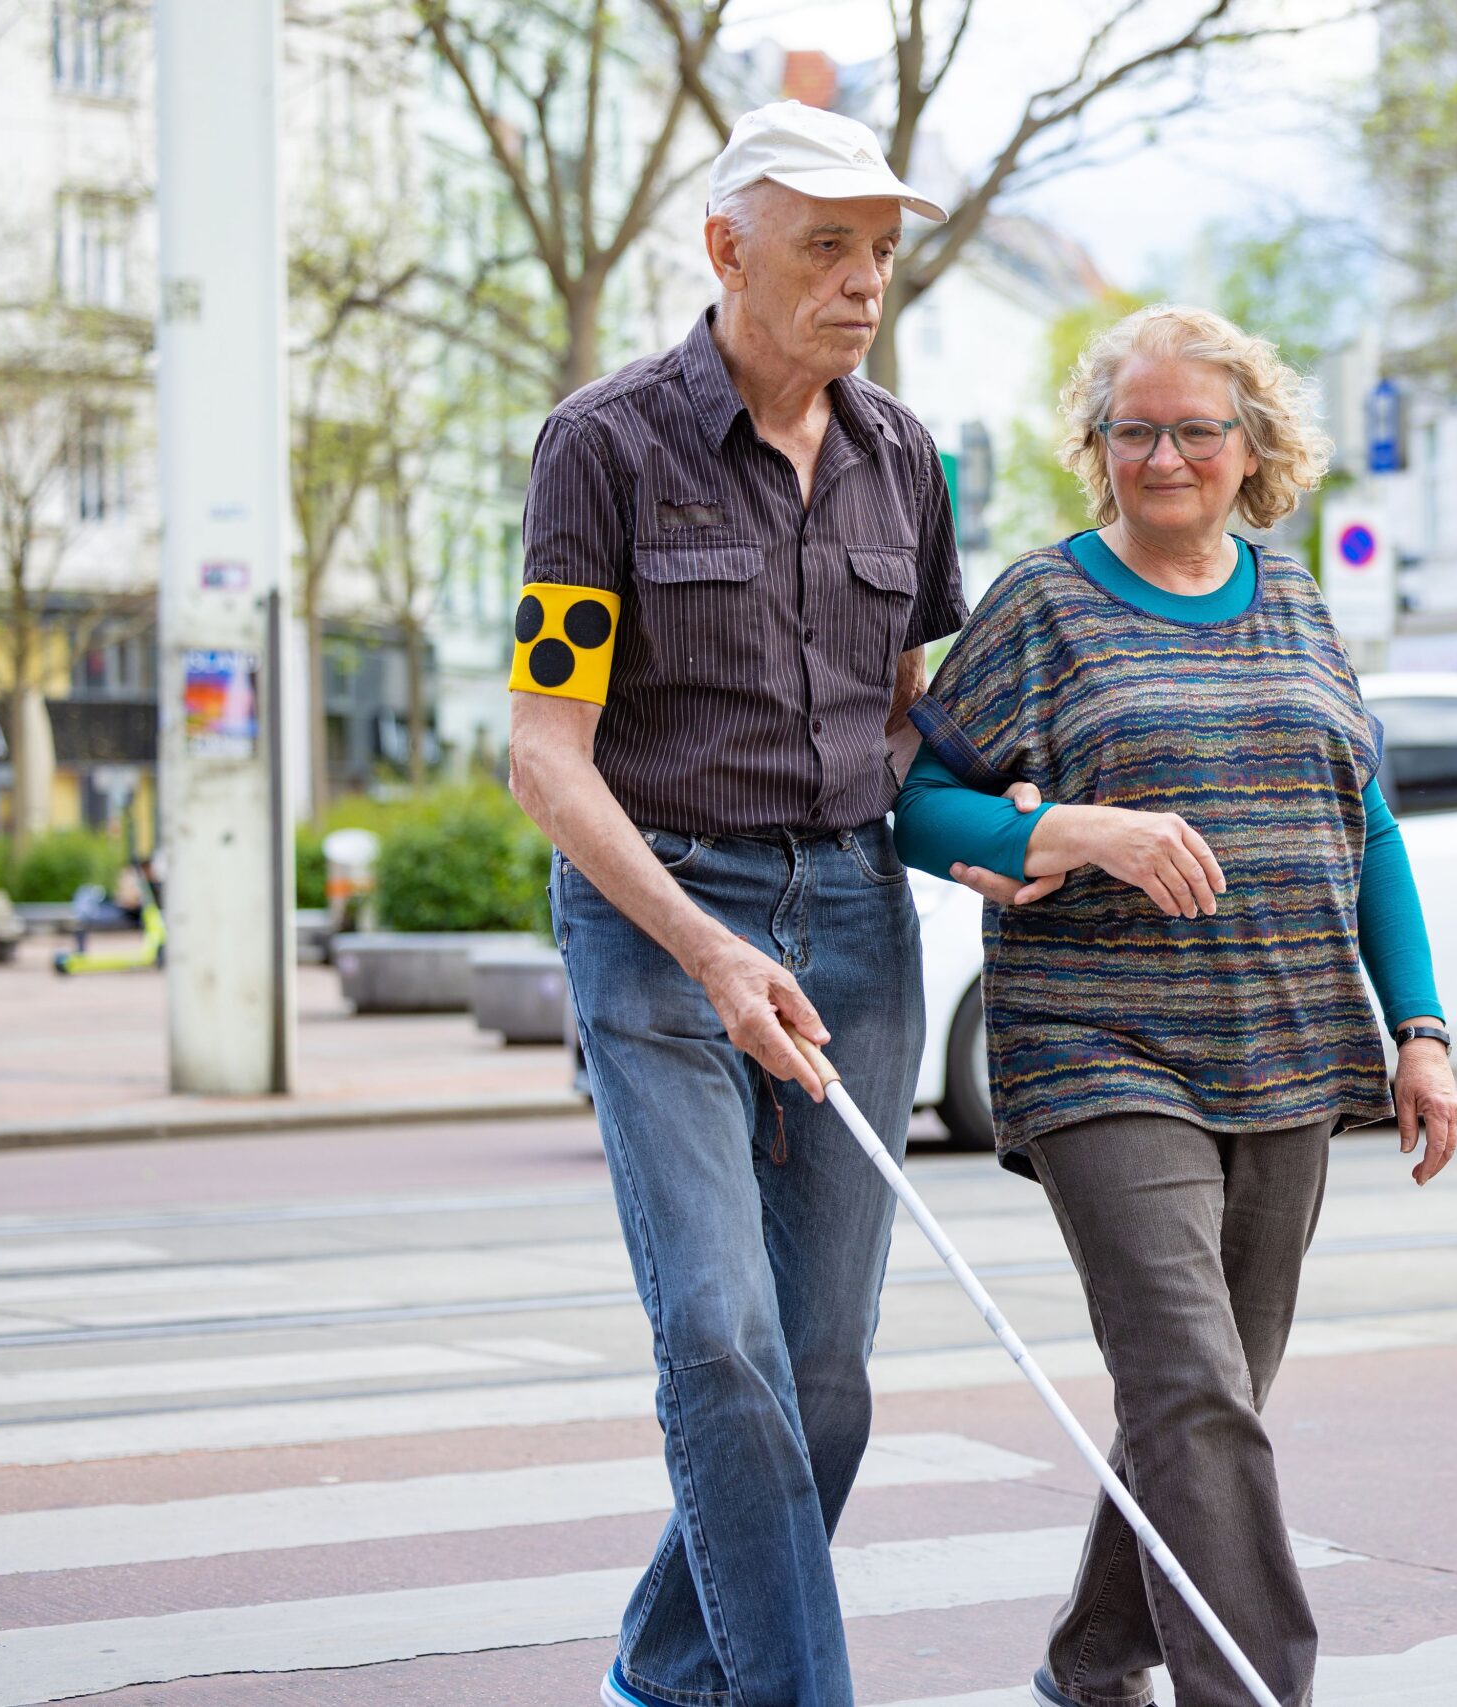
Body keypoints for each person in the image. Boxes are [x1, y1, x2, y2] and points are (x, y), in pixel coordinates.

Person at [891, 303, 1457, 1707]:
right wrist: (1074, 829)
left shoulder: (1294, 595)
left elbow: (1367, 823)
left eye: (1194, 428)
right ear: (1096, 449)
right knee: (1195, 1383)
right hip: (1099, 1046)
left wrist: (1423, 1028)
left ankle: (1093, 1659)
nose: (1163, 455)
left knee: (1206, 1401)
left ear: (1250, 445)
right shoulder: (1043, 603)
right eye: (1133, 429)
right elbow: (911, 793)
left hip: (1286, 1042)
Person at [506, 102, 966, 1707]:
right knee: (718, 1335)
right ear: (726, 250)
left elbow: (905, 713)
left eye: (881, 254)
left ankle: (664, 1658)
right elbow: (544, 756)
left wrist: (1020, 824)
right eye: (827, 248)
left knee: (823, 1377)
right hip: (657, 920)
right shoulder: (602, 445)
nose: (863, 285)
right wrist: (705, 945)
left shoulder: (907, 458)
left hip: (855, 921)